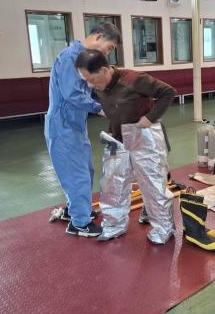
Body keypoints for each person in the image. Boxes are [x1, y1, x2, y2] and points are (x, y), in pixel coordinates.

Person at [75, 49, 177, 244]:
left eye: (91, 79)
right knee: (112, 185)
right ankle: (114, 226)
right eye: (85, 80)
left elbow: (168, 92)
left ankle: (163, 229)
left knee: (153, 186)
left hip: (144, 136)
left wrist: (150, 117)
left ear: (104, 70)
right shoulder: (99, 85)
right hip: (116, 137)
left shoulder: (134, 79)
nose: (89, 85)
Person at [44, 22, 121, 238]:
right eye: (109, 48)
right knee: (76, 173)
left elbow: (88, 88)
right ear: (98, 37)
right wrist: (101, 109)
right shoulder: (70, 57)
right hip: (63, 125)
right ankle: (79, 223)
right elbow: (72, 94)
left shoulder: (84, 59)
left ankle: (75, 210)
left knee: (85, 170)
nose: (107, 53)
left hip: (75, 124)